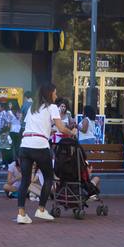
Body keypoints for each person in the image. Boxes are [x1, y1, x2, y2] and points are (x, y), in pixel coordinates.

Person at [15, 83, 76, 224]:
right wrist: (71, 132)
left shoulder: (32, 107)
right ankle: (41, 210)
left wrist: (49, 130)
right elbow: (61, 128)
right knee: (49, 177)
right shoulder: (52, 107)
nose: (56, 95)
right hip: (40, 146)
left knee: (25, 180)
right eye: (55, 92)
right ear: (50, 94)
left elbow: (34, 126)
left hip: (25, 145)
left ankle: (21, 213)